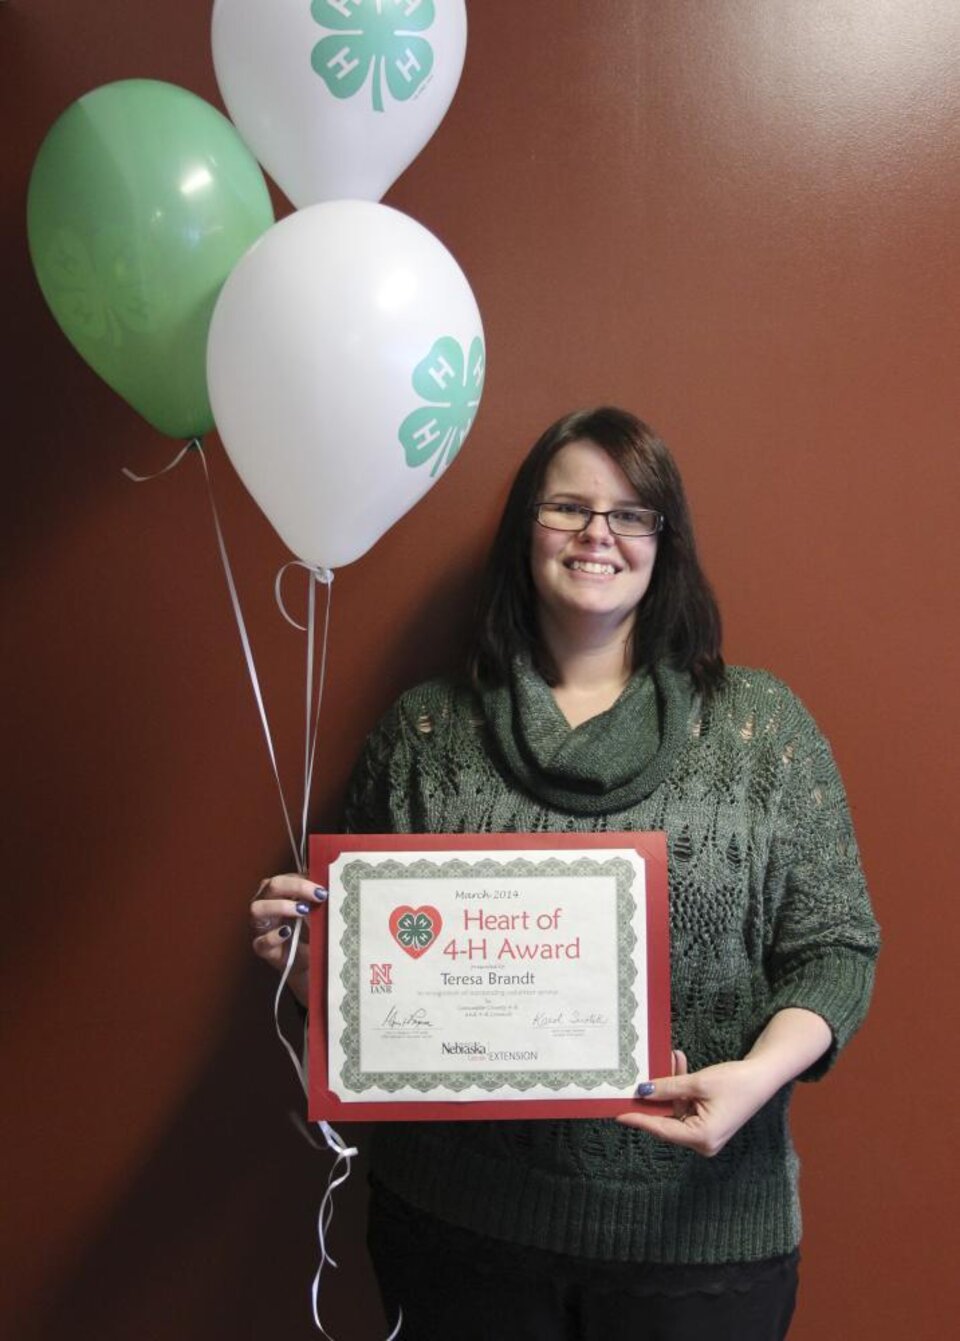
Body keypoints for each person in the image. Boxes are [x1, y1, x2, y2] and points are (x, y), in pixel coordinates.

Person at [251, 407, 880, 1341]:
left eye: (631, 513)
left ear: (665, 541)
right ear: (524, 531)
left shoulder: (763, 731)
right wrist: (311, 971)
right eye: (569, 507)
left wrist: (754, 1076)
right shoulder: (424, 735)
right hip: (459, 1234)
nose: (599, 534)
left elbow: (836, 951)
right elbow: (376, 986)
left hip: (701, 1246)